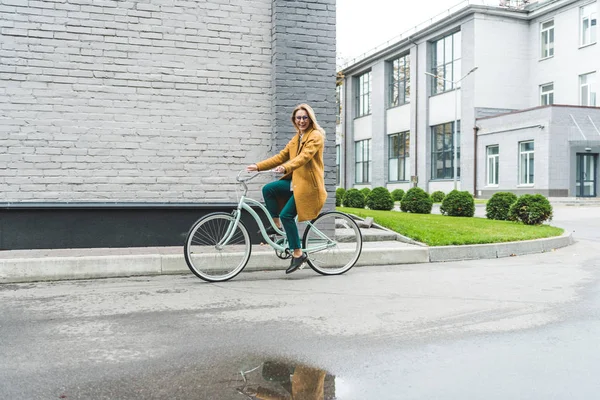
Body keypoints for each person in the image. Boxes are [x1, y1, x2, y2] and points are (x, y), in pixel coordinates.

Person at [246, 103, 327, 274]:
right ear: (294, 120)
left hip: (308, 186)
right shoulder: (297, 137)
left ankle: (298, 254)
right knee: (269, 189)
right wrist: (258, 166)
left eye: (305, 117)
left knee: (287, 215)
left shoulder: (316, 136)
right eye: (298, 118)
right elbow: (281, 156)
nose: (301, 121)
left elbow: (304, 157)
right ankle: (277, 227)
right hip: (295, 182)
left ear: (310, 118)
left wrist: (286, 167)